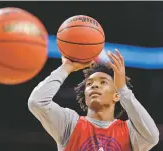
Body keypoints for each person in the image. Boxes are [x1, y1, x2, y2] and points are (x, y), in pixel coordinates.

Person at [28, 49, 159, 151]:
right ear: (85, 97)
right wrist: (66, 67)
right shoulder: (70, 123)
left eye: (103, 82)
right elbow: (37, 102)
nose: (95, 85)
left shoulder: (129, 131)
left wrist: (123, 89)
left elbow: (152, 137)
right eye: (89, 84)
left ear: (116, 95)